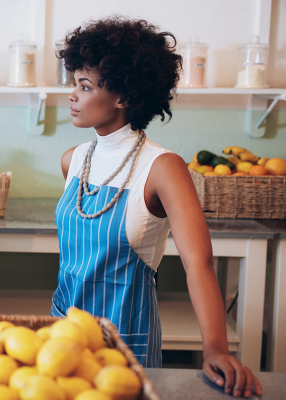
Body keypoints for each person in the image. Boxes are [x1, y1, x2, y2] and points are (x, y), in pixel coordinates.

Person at [52, 16, 261, 398]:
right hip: (62, 336)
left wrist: (215, 348)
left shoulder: (162, 168)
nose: (72, 95)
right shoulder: (73, 160)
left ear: (123, 97)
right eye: (73, 83)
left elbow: (198, 262)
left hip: (127, 340)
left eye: (84, 86)